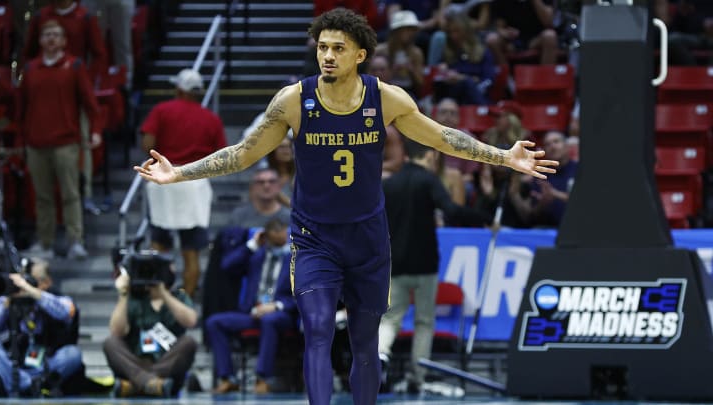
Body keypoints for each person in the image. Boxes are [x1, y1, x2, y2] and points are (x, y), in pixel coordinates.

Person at [134, 9, 557, 404]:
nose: (328, 56)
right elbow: (244, 153)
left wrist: (503, 157)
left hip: (369, 239)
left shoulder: (385, 98)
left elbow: (442, 137)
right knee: (316, 329)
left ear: (360, 55)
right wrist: (180, 173)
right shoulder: (294, 100)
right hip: (314, 237)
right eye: (322, 47)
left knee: (365, 343)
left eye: (338, 48)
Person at [378, 139, 489, 393]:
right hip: (425, 263)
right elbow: (451, 210)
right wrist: (485, 219)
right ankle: (418, 376)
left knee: (391, 318)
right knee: (424, 321)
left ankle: (381, 354)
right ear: (429, 156)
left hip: (395, 262)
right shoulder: (428, 181)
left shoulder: (388, 185)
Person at [18, 19, 101, 260]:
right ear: (41, 40)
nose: (51, 38)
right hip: (36, 143)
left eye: (56, 34)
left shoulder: (74, 66)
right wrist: (23, 139)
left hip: (66, 142)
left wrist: (95, 131)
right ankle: (45, 243)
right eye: (47, 34)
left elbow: (90, 104)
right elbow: (22, 108)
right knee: (42, 197)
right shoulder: (31, 69)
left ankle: (76, 241)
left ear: (64, 40)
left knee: (70, 194)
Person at [140, 68, 227, 296]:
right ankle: (186, 303)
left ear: (179, 89)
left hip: (164, 180)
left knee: (158, 247)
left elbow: (147, 143)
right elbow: (222, 155)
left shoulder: (162, 110)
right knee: (191, 252)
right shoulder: (211, 118)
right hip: (195, 183)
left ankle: (156, 300)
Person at [206, 218, 297, 395]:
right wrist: (252, 244)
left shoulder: (296, 258)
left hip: (282, 315)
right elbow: (227, 266)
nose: (281, 237)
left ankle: (263, 378)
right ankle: (228, 378)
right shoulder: (257, 257)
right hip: (253, 313)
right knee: (214, 322)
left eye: (283, 233)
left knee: (269, 321)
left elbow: (304, 294)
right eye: (275, 233)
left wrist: (276, 306)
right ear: (267, 236)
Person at [103, 256, 198, 398]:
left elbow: (191, 321)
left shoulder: (178, 296)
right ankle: (151, 384)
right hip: (135, 361)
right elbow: (117, 331)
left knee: (189, 342)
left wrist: (164, 294)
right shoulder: (134, 299)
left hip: (166, 363)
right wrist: (123, 294)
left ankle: (136, 385)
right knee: (110, 343)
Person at [0, 258, 83, 397]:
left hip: (46, 362)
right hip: (13, 364)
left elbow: (66, 311)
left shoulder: (55, 297)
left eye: (34, 281)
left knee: (73, 354)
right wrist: (8, 303)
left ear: (47, 282)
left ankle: (24, 383)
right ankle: (28, 384)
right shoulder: (8, 300)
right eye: (24, 280)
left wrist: (32, 292)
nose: (26, 285)